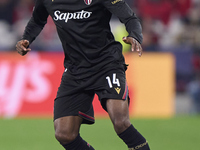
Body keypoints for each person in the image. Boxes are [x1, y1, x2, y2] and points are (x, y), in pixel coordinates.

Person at [16, 0, 150, 149]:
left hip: (106, 64)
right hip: (75, 71)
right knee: (64, 134)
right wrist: (26, 39)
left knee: (120, 122)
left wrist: (135, 35)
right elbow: (37, 20)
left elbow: (130, 17)